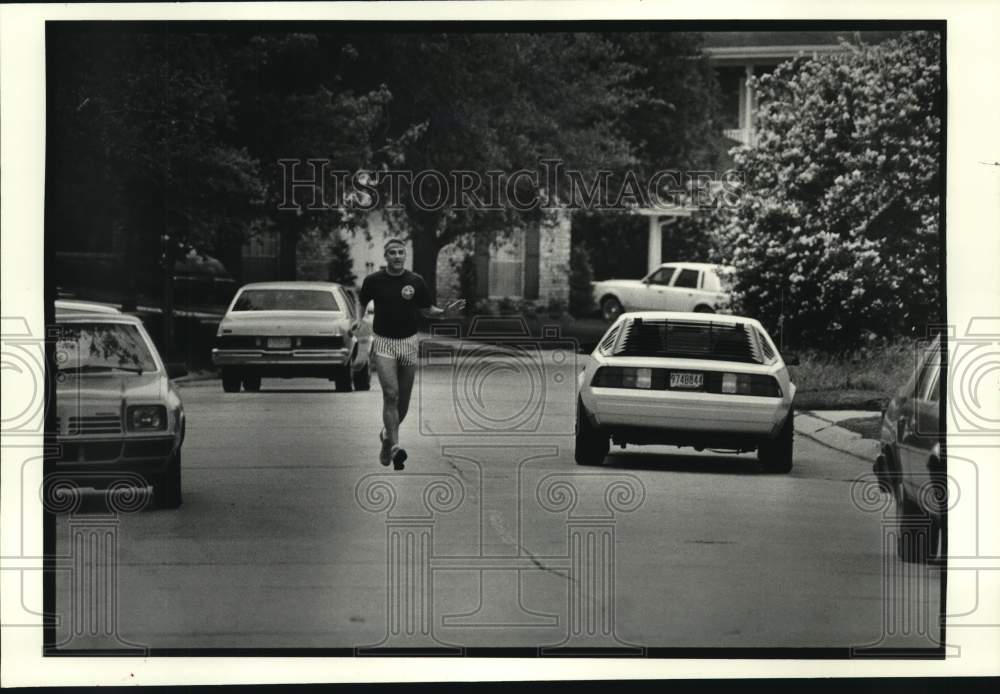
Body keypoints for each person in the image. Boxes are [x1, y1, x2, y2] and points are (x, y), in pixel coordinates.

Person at [359, 238, 465, 470]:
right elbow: (361, 303)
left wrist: (445, 312)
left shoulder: (415, 281)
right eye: (392, 253)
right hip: (384, 342)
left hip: (408, 343)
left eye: (400, 252)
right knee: (391, 394)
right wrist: (358, 324)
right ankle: (396, 447)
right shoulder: (373, 281)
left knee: (403, 402)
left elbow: (428, 310)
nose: (397, 256)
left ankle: (386, 438)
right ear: (385, 256)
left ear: (404, 256)